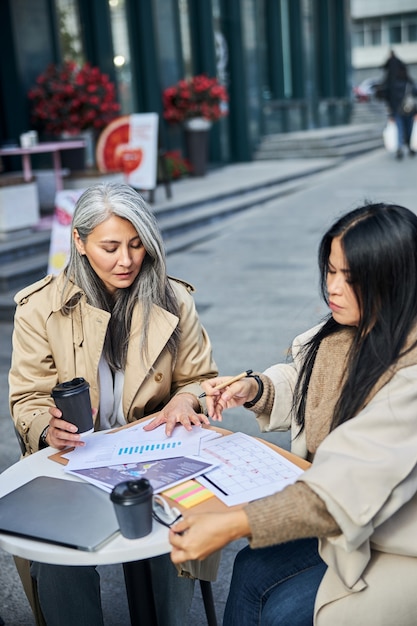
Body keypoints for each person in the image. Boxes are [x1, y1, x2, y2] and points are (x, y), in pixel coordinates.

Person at [169, 202, 417, 625]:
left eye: (351, 278)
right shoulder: (346, 331)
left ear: (395, 280)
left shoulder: (409, 371)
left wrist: (232, 522)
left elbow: (341, 489)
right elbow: (303, 378)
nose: (333, 288)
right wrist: (255, 388)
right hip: (338, 523)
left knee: (284, 612)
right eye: (331, 271)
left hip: (391, 542)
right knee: (249, 567)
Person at [9, 182, 218, 626]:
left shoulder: (173, 298)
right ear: (79, 243)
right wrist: (47, 431)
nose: (126, 260)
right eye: (110, 247)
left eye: (137, 244)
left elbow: (201, 379)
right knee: (58, 557)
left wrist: (184, 399)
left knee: (175, 535)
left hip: (155, 455)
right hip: (70, 461)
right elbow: (28, 397)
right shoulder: (39, 307)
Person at [381, 50, 417, 159]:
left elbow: (387, 97)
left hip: (397, 109)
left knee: (400, 128)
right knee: (408, 128)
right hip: (409, 109)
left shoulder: (391, 83)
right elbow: (415, 94)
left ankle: (400, 148)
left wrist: (390, 113)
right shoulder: (408, 82)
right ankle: (409, 147)